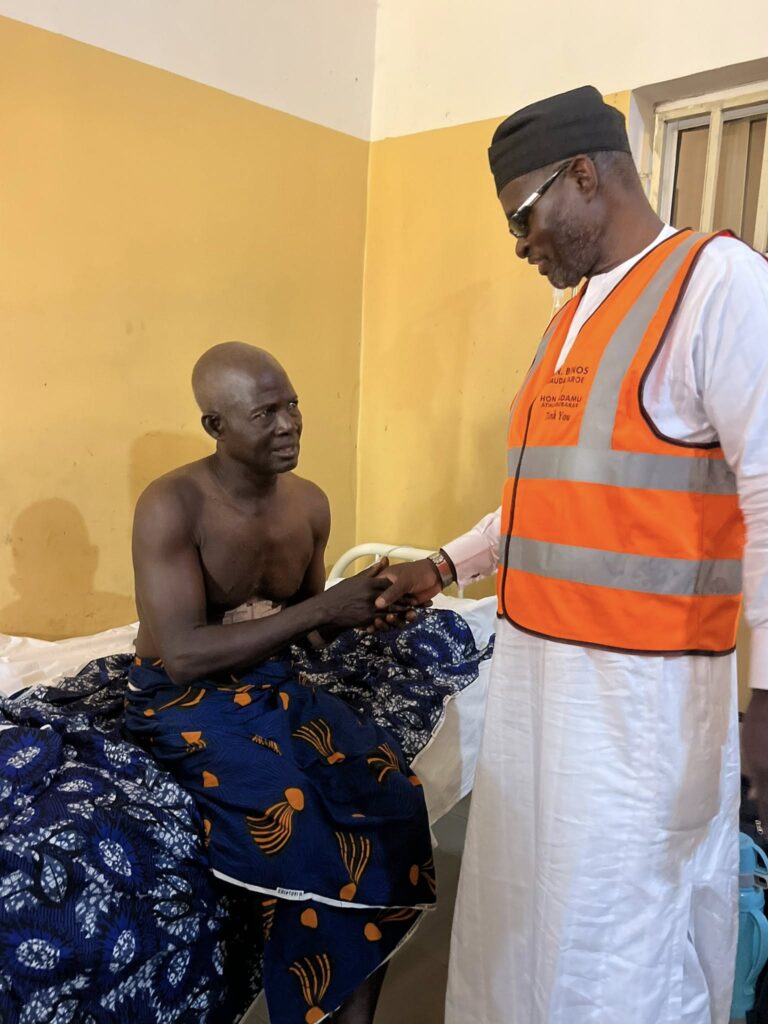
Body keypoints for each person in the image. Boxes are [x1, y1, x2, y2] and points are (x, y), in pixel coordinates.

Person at [374, 85, 768, 1023]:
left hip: (642, 705)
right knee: (525, 927)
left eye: (523, 215)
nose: (519, 244)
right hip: (536, 680)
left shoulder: (720, 286)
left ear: (585, 177)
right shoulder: (571, 316)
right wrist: (443, 566)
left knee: (618, 946)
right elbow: (547, 490)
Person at [124, 342, 437, 1024]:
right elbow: (182, 656)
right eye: (265, 413)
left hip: (275, 682)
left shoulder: (309, 504)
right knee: (293, 810)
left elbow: (310, 631)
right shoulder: (172, 504)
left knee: (391, 794)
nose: (290, 424)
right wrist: (322, 611)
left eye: (292, 405)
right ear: (216, 426)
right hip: (183, 697)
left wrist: (366, 610)